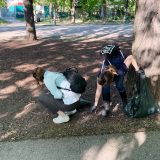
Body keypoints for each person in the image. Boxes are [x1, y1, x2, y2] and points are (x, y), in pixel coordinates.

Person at [91, 44, 145, 116]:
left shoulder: (121, 69)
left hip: (118, 69)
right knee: (105, 89)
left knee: (119, 86)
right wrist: (95, 104)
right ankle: (107, 107)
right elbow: (98, 89)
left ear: (112, 79)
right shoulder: (101, 75)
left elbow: (131, 57)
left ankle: (124, 101)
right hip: (111, 69)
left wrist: (138, 71)